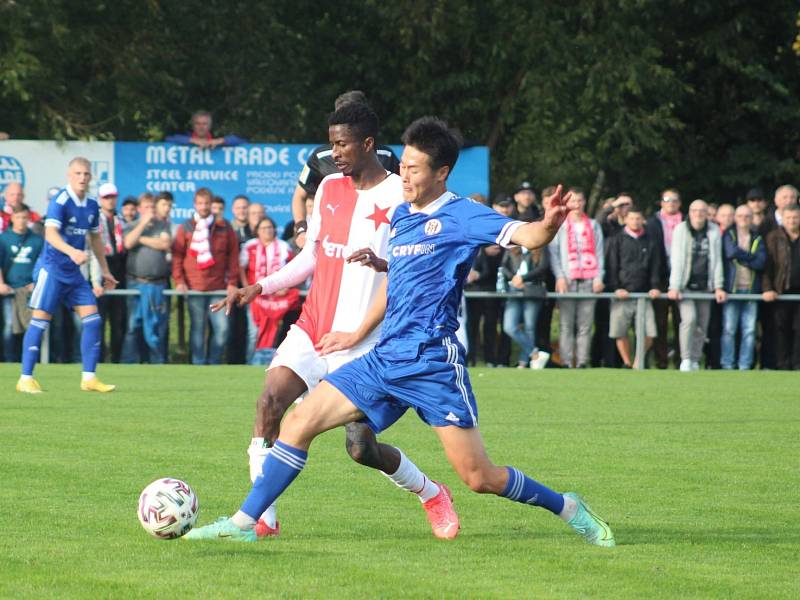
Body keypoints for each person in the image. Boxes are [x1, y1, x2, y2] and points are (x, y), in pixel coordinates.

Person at [187, 116, 615, 547]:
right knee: (298, 421)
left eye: (413, 169)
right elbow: (401, 280)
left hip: (432, 363)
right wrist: (370, 301)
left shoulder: (462, 215)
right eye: (403, 165)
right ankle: (245, 523)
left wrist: (550, 224)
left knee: (479, 477)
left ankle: (568, 506)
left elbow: (529, 235)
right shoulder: (402, 216)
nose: (404, 176)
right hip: (384, 357)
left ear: (441, 173)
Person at [207, 104, 457, 540]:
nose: (334, 152)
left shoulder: (401, 194)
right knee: (269, 404)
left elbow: (414, 265)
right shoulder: (327, 189)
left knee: (360, 448)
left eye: (342, 144)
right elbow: (311, 256)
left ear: (367, 144)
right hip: (313, 325)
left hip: (366, 342)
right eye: (332, 141)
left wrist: (383, 267)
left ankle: (431, 492)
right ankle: (262, 520)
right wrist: (260, 287)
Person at [16, 157, 117, 393]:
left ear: (91, 177)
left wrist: (105, 270)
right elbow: (50, 234)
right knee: (40, 322)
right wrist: (72, 251)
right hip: (51, 270)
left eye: (86, 174)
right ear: (69, 175)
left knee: (93, 319)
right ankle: (25, 378)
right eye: (78, 173)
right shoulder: (60, 201)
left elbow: (95, 239)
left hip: (73, 274)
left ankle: (89, 378)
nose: (82, 178)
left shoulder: (92, 205)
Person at [290, 91, 400, 247]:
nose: (336, 154)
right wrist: (301, 230)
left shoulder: (387, 157)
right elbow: (299, 196)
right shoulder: (322, 163)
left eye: (342, 145)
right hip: (331, 245)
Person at [172, 187, 239, 365]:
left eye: (206, 203)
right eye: (200, 203)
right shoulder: (185, 226)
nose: (203, 207)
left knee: (222, 330)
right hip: (194, 288)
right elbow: (177, 256)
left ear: (212, 205)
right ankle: (198, 365)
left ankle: (214, 363)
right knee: (197, 330)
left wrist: (232, 282)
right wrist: (179, 281)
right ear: (194, 204)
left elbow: (233, 256)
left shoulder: (224, 226)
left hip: (218, 288)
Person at [667, 200, 727, 371]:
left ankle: (695, 359)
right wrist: (675, 286)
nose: (699, 214)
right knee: (689, 319)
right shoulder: (681, 230)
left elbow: (716, 261)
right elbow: (676, 259)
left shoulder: (714, 230)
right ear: (690, 212)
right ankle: (685, 359)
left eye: (702, 211)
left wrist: (718, 286)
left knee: (702, 324)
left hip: (705, 286)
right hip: (685, 286)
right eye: (695, 211)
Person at [549, 187, 604, 368]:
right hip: (568, 279)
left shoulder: (594, 225)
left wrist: (598, 278)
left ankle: (581, 361)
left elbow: (600, 253)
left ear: (584, 202)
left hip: (589, 279)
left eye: (580, 201)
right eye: (573, 201)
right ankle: (566, 361)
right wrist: (560, 276)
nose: (577, 205)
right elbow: (554, 253)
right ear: (567, 203)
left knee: (585, 326)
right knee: (566, 324)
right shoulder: (561, 225)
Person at [604, 206, 661, 368]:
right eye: (632, 218)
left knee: (650, 332)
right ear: (626, 220)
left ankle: (638, 360)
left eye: (638, 218)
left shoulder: (651, 240)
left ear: (643, 220)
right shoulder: (617, 239)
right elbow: (612, 265)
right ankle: (627, 363)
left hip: (644, 294)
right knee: (619, 332)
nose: (635, 222)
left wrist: (655, 286)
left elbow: (655, 266)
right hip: (622, 293)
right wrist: (616, 287)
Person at [239, 216, 299, 364]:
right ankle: (250, 363)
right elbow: (241, 268)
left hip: (278, 298)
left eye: (270, 228)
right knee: (254, 333)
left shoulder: (284, 246)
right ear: (257, 231)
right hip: (256, 297)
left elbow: (293, 270)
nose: (267, 231)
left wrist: (286, 286)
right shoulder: (249, 246)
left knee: (276, 331)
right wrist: (248, 288)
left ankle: (272, 364)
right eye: (263, 228)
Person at [120, 194, 172, 364]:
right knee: (133, 325)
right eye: (146, 207)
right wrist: (142, 225)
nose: (149, 210)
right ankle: (129, 363)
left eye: (152, 207)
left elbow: (164, 244)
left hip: (157, 284)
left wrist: (141, 239)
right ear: (140, 209)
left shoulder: (162, 225)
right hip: (136, 283)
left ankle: (157, 362)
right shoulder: (131, 225)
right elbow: (128, 243)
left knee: (157, 325)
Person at [721, 204, 766, 370]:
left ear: (752, 218)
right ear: (735, 218)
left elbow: (761, 262)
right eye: (740, 216)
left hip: (750, 290)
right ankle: (727, 363)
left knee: (749, 331)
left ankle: (744, 365)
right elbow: (730, 252)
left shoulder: (757, 237)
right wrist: (750, 258)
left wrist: (744, 258)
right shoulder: (729, 234)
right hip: (732, 290)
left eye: (747, 216)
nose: (744, 219)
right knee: (729, 330)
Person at [0, 204, 44, 361]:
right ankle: (8, 361)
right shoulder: (3, 238)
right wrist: (1, 284)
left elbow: (43, 265)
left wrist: (36, 283)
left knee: (32, 327)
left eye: (24, 217)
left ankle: (32, 360)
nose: (21, 221)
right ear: (12, 218)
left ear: (29, 218)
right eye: (18, 217)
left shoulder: (37, 240)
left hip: (30, 291)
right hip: (9, 291)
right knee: (9, 326)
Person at [646, 189, 683, 369]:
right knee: (659, 322)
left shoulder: (686, 221)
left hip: (681, 277)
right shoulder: (652, 223)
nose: (671, 203)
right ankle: (661, 361)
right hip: (659, 277)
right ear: (661, 202)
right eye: (667, 200)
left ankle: (680, 361)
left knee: (680, 322)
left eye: (674, 200)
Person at [499, 245, 549, 368]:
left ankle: (524, 362)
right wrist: (515, 279)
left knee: (529, 327)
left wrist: (523, 278)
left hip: (533, 289)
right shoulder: (512, 247)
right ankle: (534, 353)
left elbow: (543, 268)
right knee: (509, 327)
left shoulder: (541, 248)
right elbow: (503, 267)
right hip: (514, 289)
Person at [92, 182, 127, 363]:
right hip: (100, 271)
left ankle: (117, 360)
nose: (110, 201)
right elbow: (93, 251)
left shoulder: (120, 221)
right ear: (100, 199)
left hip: (119, 274)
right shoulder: (95, 220)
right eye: (107, 197)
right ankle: (97, 359)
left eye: (113, 197)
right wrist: (96, 280)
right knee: (99, 321)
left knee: (118, 323)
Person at [763, 204, 800, 370]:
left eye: (795, 217)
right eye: (789, 218)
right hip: (781, 292)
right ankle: (783, 365)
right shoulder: (773, 237)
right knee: (780, 329)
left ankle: (797, 364)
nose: (792, 221)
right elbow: (767, 266)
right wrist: (767, 288)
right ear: (783, 219)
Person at [165, 110, 246, 148]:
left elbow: (241, 141)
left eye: (204, 124)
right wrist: (192, 141)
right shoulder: (186, 138)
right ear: (193, 125)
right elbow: (169, 139)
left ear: (210, 126)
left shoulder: (215, 140)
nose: (201, 127)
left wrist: (220, 141)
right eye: (198, 124)